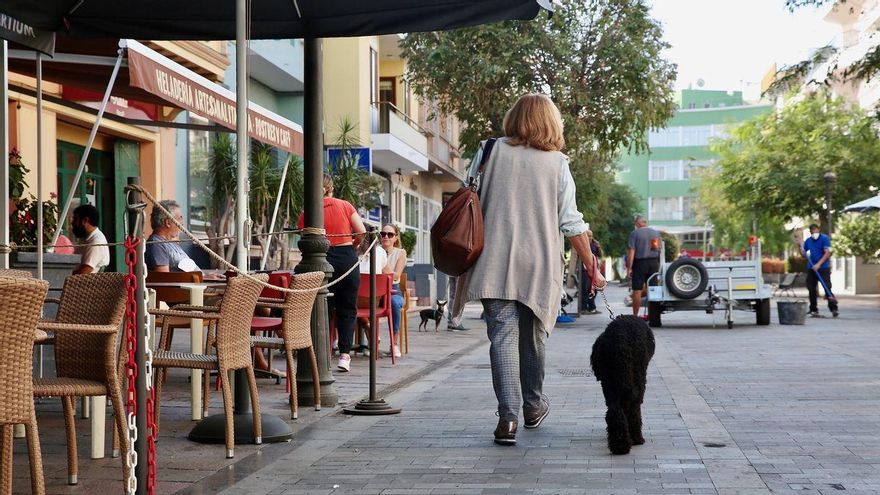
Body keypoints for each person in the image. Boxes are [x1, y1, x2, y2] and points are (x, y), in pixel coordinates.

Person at [451, 94, 606, 446]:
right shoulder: (557, 163)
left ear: (514, 118)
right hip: (539, 262)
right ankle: (533, 406)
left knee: (502, 337)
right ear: (551, 123)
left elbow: (466, 197)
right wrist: (591, 266)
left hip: (492, 260)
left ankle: (508, 418)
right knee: (533, 338)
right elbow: (571, 222)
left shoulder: (489, 150)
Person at [298, 174, 366, 372]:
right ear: (330, 188)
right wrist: (353, 244)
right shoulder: (345, 205)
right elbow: (361, 231)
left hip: (320, 258)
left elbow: (303, 237)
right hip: (346, 257)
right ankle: (344, 355)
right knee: (347, 308)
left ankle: (322, 354)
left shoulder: (308, 211)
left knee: (322, 308)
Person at [145, 199, 201, 273]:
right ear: (168, 223)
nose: (182, 223)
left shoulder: (170, 243)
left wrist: (206, 276)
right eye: (179, 218)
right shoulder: (157, 244)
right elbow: (164, 277)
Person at [379, 223, 406, 358]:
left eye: (390, 234)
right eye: (383, 234)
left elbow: (396, 276)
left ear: (396, 238)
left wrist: (383, 264)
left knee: (394, 304)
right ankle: (371, 341)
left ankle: (394, 343)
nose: (386, 237)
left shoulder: (400, 253)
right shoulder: (375, 250)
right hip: (376, 290)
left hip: (393, 290)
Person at [626, 215, 661, 319]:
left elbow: (632, 251)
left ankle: (635, 316)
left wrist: (629, 268)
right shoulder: (655, 233)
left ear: (638, 223)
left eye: (635, 223)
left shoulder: (634, 233)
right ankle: (654, 317)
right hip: (653, 263)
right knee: (653, 290)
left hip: (640, 263)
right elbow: (657, 249)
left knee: (637, 290)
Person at [803, 223, 839, 318]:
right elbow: (804, 253)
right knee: (811, 289)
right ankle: (813, 309)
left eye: (815, 230)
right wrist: (800, 247)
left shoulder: (824, 239)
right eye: (812, 231)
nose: (814, 232)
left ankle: (833, 308)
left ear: (818, 230)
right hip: (811, 268)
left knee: (827, 287)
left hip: (823, 268)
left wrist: (818, 264)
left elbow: (827, 253)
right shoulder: (808, 241)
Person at [71, 204, 110, 274]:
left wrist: (64, 274)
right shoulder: (86, 238)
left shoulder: (96, 241)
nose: (72, 222)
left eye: (75, 218)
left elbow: (84, 272)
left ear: (85, 220)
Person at [579, 230, 602, 315]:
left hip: (594, 269)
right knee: (585, 289)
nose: (590, 237)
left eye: (591, 236)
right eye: (588, 236)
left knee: (594, 289)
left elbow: (599, 255)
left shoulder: (595, 244)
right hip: (584, 270)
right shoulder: (582, 244)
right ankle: (584, 308)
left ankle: (592, 307)